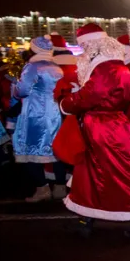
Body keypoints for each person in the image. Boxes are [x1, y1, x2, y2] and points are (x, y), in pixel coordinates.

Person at [58, 23, 130, 239]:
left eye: (84, 46)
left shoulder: (105, 69)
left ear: (92, 45)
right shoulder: (117, 66)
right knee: (89, 173)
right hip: (107, 123)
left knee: (118, 172)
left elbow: (90, 96)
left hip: (104, 126)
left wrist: (67, 103)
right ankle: (85, 218)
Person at [13, 36, 63, 202]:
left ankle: (42, 189)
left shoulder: (33, 66)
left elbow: (22, 90)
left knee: (31, 150)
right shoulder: (56, 67)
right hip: (54, 113)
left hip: (35, 113)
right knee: (55, 150)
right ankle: (60, 187)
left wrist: (15, 88)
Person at [49, 32, 77, 199]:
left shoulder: (51, 69)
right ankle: (77, 182)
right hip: (76, 113)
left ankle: (60, 184)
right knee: (76, 147)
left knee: (59, 148)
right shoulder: (76, 67)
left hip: (56, 113)